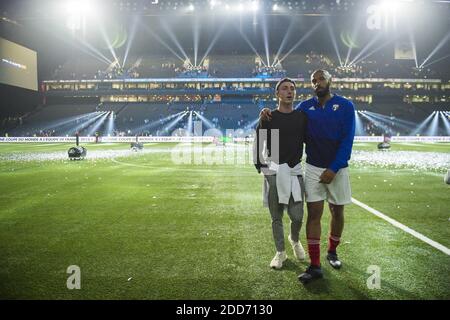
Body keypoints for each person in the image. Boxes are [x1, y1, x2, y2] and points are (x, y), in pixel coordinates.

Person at [259, 70, 355, 283]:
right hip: (311, 167)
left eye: (321, 79)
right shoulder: (305, 108)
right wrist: (266, 113)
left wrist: (334, 167)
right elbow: (280, 124)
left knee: (337, 211)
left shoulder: (346, 106)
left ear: (330, 81)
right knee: (313, 214)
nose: (317, 82)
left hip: (337, 168)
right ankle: (315, 265)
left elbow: (347, 140)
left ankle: (332, 252)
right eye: (313, 80)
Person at [253, 78, 308, 269]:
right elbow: (258, 142)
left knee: (298, 216)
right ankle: (280, 252)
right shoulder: (269, 117)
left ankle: (294, 239)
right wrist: (262, 168)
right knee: (276, 217)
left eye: (292, 89)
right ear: (277, 94)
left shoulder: (301, 117)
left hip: (294, 171)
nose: (289, 91)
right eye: (284, 89)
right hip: (274, 170)